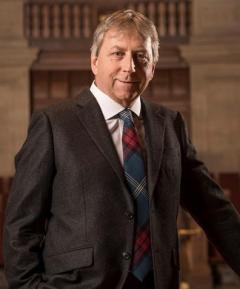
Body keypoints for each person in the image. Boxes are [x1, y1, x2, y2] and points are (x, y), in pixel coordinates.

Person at [3, 9, 240, 289]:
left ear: (153, 67)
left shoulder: (170, 124)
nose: (130, 67)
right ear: (94, 61)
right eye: (118, 54)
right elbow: (21, 224)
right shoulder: (54, 124)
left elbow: (213, 209)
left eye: (141, 56)